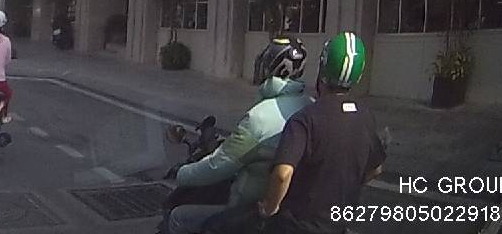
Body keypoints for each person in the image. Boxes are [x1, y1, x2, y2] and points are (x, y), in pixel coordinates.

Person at [162, 38, 312, 234]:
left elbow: (219, 165)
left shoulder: (260, 117)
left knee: (178, 217)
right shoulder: (310, 105)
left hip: (248, 208)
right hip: (290, 208)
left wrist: (182, 174)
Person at [254, 32, 384, 234]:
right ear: (358, 76)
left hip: (297, 226)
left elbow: (282, 174)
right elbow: (375, 169)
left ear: (322, 67)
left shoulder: (305, 119)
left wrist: (268, 208)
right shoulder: (366, 117)